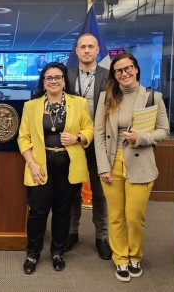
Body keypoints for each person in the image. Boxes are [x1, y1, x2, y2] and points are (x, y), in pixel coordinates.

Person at [94, 53, 170, 282]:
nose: (124, 73)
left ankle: (135, 254)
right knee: (116, 216)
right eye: (118, 71)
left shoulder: (153, 97)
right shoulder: (106, 98)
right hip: (112, 162)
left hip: (141, 163)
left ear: (136, 69)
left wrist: (142, 137)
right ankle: (121, 258)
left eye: (128, 68)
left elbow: (164, 131)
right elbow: (98, 134)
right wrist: (102, 167)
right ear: (114, 75)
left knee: (135, 216)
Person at [17, 62, 94, 274]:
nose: (53, 81)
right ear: (43, 82)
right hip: (40, 165)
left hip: (68, 164)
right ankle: (32, 254)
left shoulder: (78, 103)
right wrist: (31, 163)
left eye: (57, 77)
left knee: (62, 212)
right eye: (49, 78)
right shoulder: (31, 106)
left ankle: (58, 252)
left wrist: (78, 137)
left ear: (63, 80)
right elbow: (23, 137)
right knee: (37, 212)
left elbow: (89, 128)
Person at [65, 33, 112, 260]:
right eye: (82, 47)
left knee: (100, 192)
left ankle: (102, 237)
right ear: (76, 51)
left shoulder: (109, 76)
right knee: (72, 190)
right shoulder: (67, 75)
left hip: (99, 142)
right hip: (73, 142)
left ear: (97, 50)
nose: (86, 50)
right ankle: (72, 232)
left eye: (90, 47)